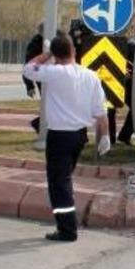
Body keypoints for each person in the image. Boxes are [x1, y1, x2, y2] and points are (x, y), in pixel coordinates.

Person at [23, 35, 111, 242]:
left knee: (58, 183)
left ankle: (67, 229)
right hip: (79, 136)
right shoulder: (90, 75)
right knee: (65, 180)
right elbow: (101, 111)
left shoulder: (54, 73)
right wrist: (105, 135)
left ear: (55, 54)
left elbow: (28, 68)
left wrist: (47, 54)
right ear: (74, 51)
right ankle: (66, 224)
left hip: (59, 136)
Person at [117, 23, 135, 145]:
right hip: (129, 82)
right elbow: (124, 61)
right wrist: (126, 73)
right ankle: (124, 136)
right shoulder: (131, 45)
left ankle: (124, 136)